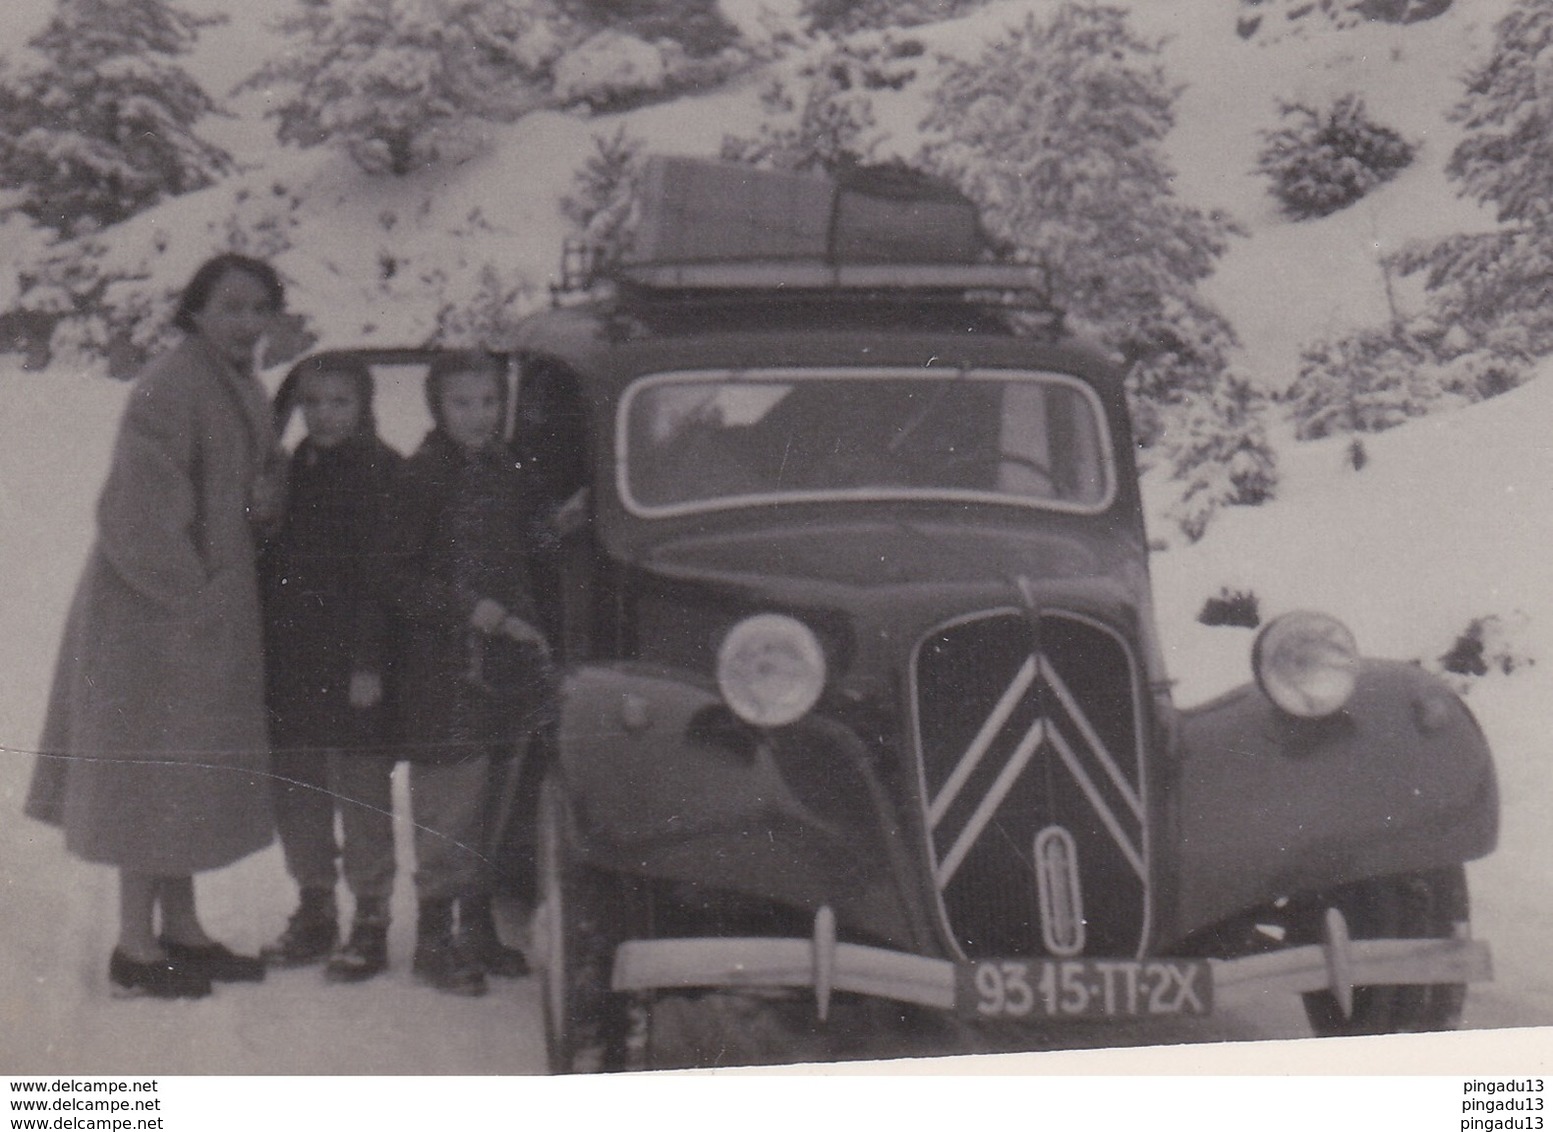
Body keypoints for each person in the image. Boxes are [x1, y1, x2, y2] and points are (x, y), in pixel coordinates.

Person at [25, 253, 287, 999]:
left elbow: (238, 494)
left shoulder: (239, 385)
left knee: (185, 776)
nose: (246, 322)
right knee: (149, 778)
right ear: (196, 312)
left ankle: (183, 929)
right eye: (231, 307)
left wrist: (263, 507)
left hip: (199, 616)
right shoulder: (171, 387)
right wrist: (194, 597)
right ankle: (136, 950)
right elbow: (136, 515)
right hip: (150, 616)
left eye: (259, 308)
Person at [380, 352, 550, 996]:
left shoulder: (506, 469)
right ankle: (433, 941)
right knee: (447, 810)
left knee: (493, 806)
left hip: (505, 670)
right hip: (441, 675)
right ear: (436, 408)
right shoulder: (422, 477)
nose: (478, 417)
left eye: (488, 403)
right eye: (462, 404)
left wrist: (557, 525)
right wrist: (468, 609)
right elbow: (393, 576)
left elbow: (527, 545)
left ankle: (477, 930)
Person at [258, 358, 402, 983]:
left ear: (363, 405)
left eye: (339, 401)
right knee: (298, 789)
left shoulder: (384, 473)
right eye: (312, 402)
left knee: (362, 792)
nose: (324, 414)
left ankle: (371, 917)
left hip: (356, 665)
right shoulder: (289, 473)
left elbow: (382, 579)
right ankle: (314, 905)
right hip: (292, 658)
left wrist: (369, 661)